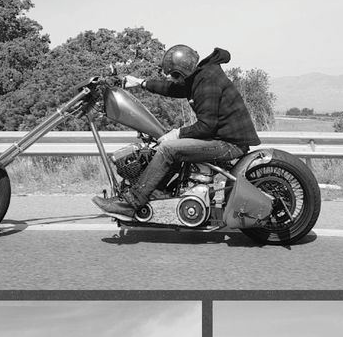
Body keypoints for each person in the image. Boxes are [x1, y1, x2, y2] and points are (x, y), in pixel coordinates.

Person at [94, 44, 260, 219]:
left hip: (229, 144)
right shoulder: (201, 75)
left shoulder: (207, 82)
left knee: (168, 149)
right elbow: (173, 89)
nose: (170, 77)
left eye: (173, 74)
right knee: (171, 146)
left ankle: (130, 204)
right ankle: (157, 191)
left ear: (183, 72)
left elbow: (206, 126)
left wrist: (176, 133)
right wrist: (141, 83)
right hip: (224, 138)